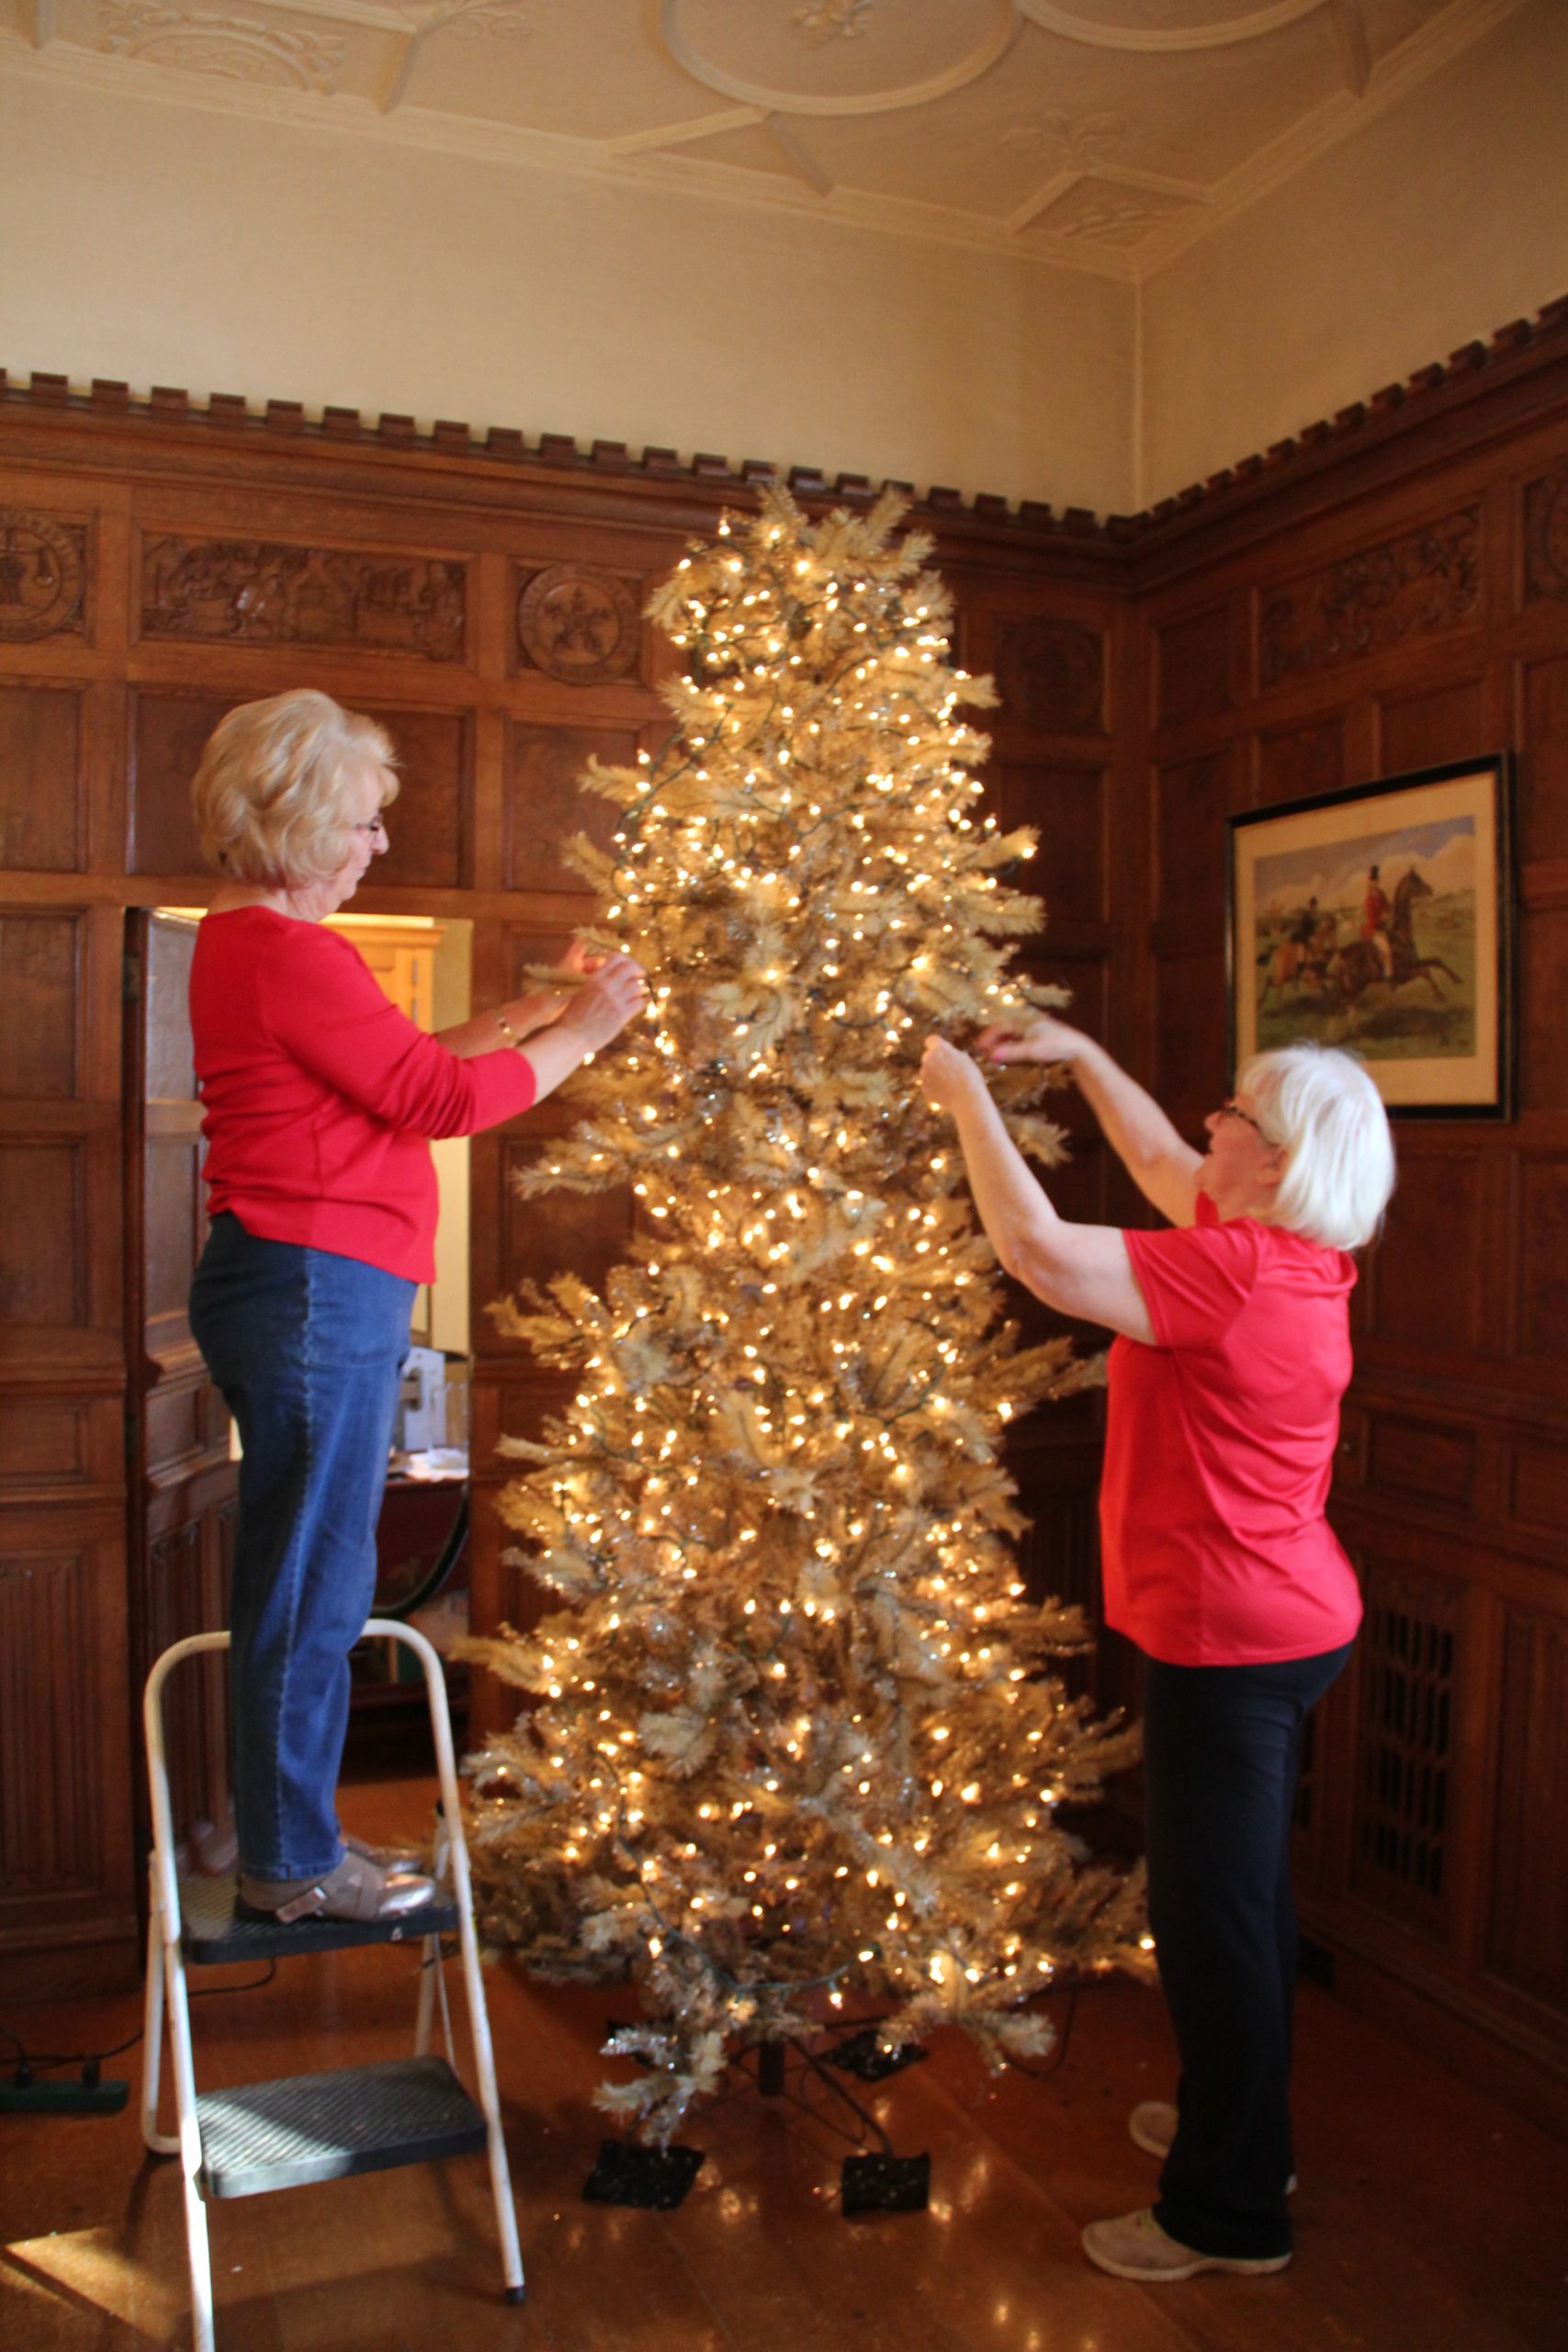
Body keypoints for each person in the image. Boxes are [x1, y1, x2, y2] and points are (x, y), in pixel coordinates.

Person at [918, 1012, 1394, 2284]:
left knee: (1211, 1926)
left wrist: (963, 1094)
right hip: (1280, 1620)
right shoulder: (1277, 1255)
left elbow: (1034, 1250)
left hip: (1230, 1645)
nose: (1207, 1125)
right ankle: (1243, 2137)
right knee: (1237, 1909)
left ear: (1277, 1162)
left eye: (1234, 1116)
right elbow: (1150, 1161)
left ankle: (1226, 2211)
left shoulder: (1235, 1273)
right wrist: (1074, 1053)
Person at [187, 688, 645, 1925]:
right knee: (315, 1581)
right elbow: (445, 1105)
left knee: (306, 1571)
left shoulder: (255, 951)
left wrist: (535, 1013)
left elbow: (408, 1073)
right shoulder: (287, 952)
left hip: (297, 1283)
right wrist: (586, 1037)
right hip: (310, 1288)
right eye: (364, 824)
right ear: (293, 820)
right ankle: (289, 1861)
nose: (376, 846)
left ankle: (271, 1837)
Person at [1362, 864, 1393, 977]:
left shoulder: (1381, 894)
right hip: (1373, 930)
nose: (1375, 884)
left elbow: (1388, 907)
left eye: (1377, 882)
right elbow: (1372, 920)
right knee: (1387, 950)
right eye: (1373, 882)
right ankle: (1389, 976)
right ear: (1370, 884)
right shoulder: (1369, 900)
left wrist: (1389, 912)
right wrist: (1382, 918)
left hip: (1384, 927)